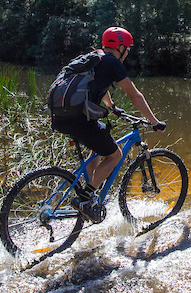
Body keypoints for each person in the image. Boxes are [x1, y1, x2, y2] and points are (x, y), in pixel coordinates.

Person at [50, 26, 164, 218]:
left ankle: (87, 190)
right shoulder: (112, 63)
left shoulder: (94, 57)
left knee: (98, 144)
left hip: (61, 117)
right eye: (127, 48)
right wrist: (154, 121)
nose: (127, 53)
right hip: (80, 120)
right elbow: (135, 96)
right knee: (115, 155)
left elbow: (97, 85)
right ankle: (85, 198)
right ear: (120, 47)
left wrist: (111, 106)